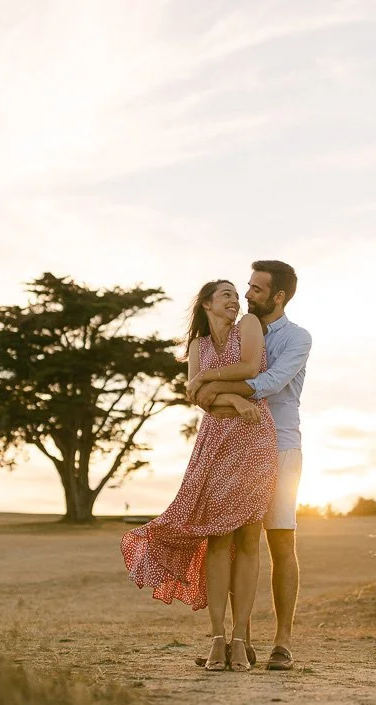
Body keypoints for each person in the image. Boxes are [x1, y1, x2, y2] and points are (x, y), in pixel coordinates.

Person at [120, 279, 279, 672]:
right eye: (225, 294)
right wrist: (235, 399)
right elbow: (200, 401)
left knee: (247, 537)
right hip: (216, 441)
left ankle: (241, 638)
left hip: (255, 440)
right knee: (216, 537)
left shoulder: (250, 327)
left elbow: (247, 368)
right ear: (207, 304)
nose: (234, 299)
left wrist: (204, 380)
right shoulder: (197, 346)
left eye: (235, 294)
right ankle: (217, 639)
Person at [192, 260, 311, 671]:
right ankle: (235, 637)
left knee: (279, 543)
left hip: (279, 446)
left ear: (278, 296)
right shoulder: (240, 330)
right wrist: (208, 388)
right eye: (247, 286)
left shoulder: (297, 337)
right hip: (236, 444)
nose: (247, 294)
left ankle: (283, 641)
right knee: (231, 542)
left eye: (257, 289)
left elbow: (269, 383)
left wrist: (205, 381)